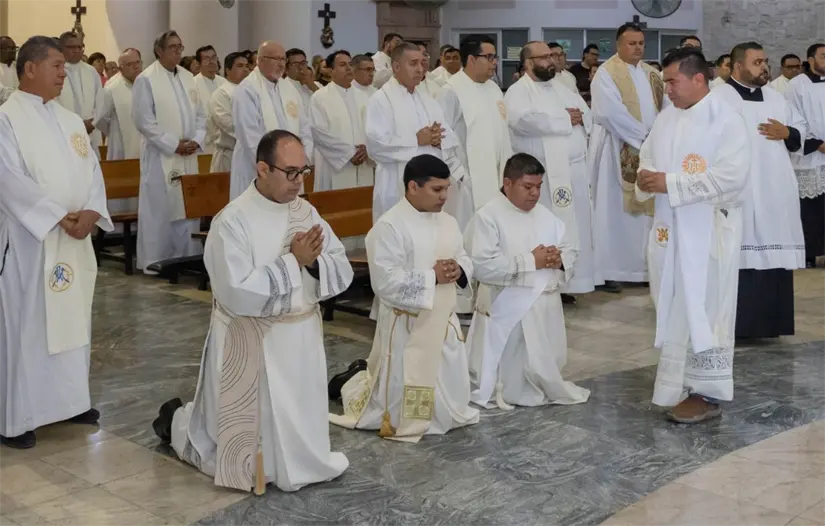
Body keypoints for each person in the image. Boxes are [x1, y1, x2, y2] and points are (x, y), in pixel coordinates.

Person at [153, 130, 353, 492]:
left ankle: (302, 459)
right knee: (242, 448)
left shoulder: (305, 212)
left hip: (301, 338)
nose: (298, 182)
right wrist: (294, 262)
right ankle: (176, 423)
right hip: (252, 341)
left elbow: (341, 268)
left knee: (298, 421)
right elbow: (236, 292)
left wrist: (312, 266)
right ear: (262, 168)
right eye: (290, 172)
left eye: (303, 171)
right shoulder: (232, 221)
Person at [0, 36, 113, 449]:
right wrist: (56, 215)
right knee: (28, 325)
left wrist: (91, 211)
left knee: (74, 320)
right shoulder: (6, 119)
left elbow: (92, 169)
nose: (64, 73)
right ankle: (19, 417)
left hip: (74, 239)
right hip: (33, 243)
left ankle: (70, 402)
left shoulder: (69, 120)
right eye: (57, 66)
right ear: (30, 69)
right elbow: (8, 179)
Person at [328, 154, 479, 442]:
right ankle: (350, 380)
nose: (445, 196)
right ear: (412, 187)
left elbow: (464, 258)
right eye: (437, 189)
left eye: (447, 188)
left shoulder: (448, 222)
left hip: (443, 323)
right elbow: (384, 283)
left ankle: (444, 409)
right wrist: (430, 276)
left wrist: (459, 269)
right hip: (407, 327)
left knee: (449, 399)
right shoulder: (389, 227)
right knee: (399, 398)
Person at [635, 47, 750, 423]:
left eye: (672, 81)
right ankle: (677, 382)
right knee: (672, 304)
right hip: (671, 230)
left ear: (698, 79)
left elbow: (732, 179)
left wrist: (670, 182)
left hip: (709, 232)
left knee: (707, 307)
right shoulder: (667, 118)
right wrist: (647, 177)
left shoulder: (725, 118)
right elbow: (647, 157)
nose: (666, 88)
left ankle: (708, 392)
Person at [464, 153, 590, 410]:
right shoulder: (488, 217)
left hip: (544, 306)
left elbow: (570, 249)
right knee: (513, 367)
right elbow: (481, 266)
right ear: (508, 183)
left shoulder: (545, 215)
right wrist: (531, 261)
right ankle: (508, 387)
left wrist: (559, 259)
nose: (535, 194)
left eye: (539, 187)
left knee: (545, 362)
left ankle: (543, 381)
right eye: (528, 187)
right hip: (507, 306)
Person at [714, 42, 805, 339]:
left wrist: (787, 133)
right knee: (739, 255)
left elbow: (799, 134)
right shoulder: (718, 98)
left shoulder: (777, 98)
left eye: (765, 61)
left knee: (773, 256)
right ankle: (738, 327)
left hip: (775, 188)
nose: (763, 67)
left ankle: (771, 325)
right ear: (737, 66)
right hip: (738, 190)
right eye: (756, 62)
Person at [506, 41, 596, 298]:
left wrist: (576, 118)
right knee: (549, 227)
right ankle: (548, 280)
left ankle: (575, 281)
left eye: (553, 56)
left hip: (574, 170)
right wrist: (564, 119)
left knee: (576, 226)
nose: (551, 61)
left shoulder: (563, 86)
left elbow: (585, 113)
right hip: (543, 175)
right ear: (528, 63)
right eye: (544, 57)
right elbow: (522, 121)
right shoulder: (518, 91)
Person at [588, 23, 663, 290]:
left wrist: (656, 140)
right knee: (614, 211)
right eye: (631, 43)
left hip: (649, 150)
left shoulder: (653, 74)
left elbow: (664, 109)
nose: (637, 48)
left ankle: (642, 270)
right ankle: (613, 268)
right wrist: (644, 139)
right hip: (616, 147)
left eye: (641, 43)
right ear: (619, 45)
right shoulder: (606, 73)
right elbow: (610, 113)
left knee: (646, 212)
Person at [132, 30, 206, 272]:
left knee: (187, 206)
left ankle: (186, 257)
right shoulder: (147, 79)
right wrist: (173, 144)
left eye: (180, 46)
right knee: (160, 209)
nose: (177, 51)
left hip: (188, 155)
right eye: (172, 47)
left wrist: (196, 140)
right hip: (161, 156)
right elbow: (144, 121)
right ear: (159, 51)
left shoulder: (188, 77)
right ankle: (156, 261)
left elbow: (201, 115)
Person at [365, 42, 463, 223]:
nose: (420, 69)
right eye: (413, 64)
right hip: (396, 182)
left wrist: (437, 139)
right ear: (396, 67)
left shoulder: (427, 98)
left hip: (429, 183)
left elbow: (448, 133)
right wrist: (416, 140)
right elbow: (375, 146)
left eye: (422, 63)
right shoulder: (381, 100)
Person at [438, 35, 511, 230]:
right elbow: (441, 138)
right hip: (465, 183)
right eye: (489, 57)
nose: (494, 62)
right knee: (468, 235)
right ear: (471, 59)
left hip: (496, 178)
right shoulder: (451, 91)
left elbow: (502, 132)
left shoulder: (494, 89)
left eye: (495, 57)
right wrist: (460, 175)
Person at [231, 41, 313, 199]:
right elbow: (249, 135)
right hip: (260, 170)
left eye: (283, 59)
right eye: (276, 59)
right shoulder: (247, 89)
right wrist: (276, 168)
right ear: (260, 60)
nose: (281, 64)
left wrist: (302, 161)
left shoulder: (289, 89)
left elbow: (304, 128)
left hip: (292, 171)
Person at [311, 49, 374, 195]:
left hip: (363, 164)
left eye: (350, 64)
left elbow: (373, 129)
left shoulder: (364, 97)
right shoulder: (320, 98)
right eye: (342, 64)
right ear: (331, 70)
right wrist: (348, 153)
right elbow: (319, 133)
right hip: (336, 165)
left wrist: (367, 149)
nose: (348, 68)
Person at [787, 43, 825, 268]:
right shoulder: (796, 86)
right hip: (810, 156)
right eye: (823, 55)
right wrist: (817, 144)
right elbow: (793, 117)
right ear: (810, 60)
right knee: (811, 209)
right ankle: (809, 253)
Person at [57, 32, 104, 158]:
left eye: (80, 47)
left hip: (90, 131)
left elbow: (100, 100)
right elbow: (53, 103)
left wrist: (92, 123)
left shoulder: (91, 71)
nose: (77, 50)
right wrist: (76, 124)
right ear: (61, 48)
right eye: (72, 47)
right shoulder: (56, 70)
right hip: (65, 132)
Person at [94, 48, 143, 161]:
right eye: (130, 64)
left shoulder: (147, 83)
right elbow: (100, 118)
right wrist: (115, 131)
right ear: (121, 69)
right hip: (121, 143)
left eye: (138, 62)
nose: (136, 67)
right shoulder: (111, 88)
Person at [208, 51, 250, 173]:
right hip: (229, 155)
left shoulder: (252, 92)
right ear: (227, 70)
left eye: (247, 66)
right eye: (240, 66)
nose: (246, 69)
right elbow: (229, 125)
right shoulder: (221, 94)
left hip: (250, 154)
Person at [193, 45, 227, 154]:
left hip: (224, 140)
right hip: (203, 141)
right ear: (199, 63)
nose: (211, 61)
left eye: (213, 57)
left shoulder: (224, 83)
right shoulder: (192, 84)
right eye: (206, 59)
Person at [285, 48, 319, 113]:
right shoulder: (283, 87)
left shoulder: (316, 85)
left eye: (303, 63)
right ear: (286, 68)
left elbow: (328, 105)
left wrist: (313, 87)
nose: (300, 67)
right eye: (295, 64)